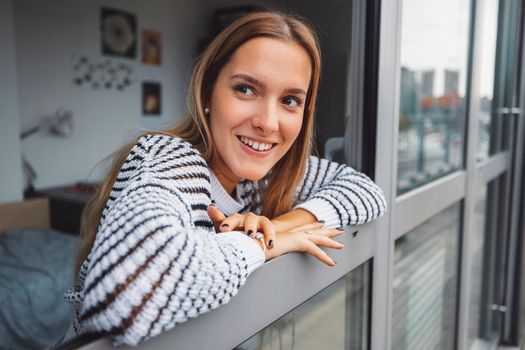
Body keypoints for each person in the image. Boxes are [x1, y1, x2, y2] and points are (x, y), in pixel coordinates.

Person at [64, 11, 387, 346]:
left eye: (290, 100)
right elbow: (124, 297)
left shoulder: (268, 176)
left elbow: (367, 193)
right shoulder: (168, 157)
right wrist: (256, 245)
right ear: (207, 93)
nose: (268, 122)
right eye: (246, 89)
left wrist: (278, 228)